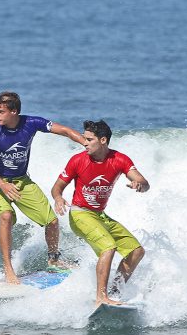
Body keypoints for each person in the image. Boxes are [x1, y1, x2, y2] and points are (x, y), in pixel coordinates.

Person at [0, 91, 85, 284]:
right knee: (6, 217)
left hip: (22, 181)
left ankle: (53, 260)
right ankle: (8, 269)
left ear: (14, 111)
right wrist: (2, 185)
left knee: (52, 221)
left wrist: (85, 143)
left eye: (1, 111)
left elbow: (63, 130)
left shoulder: (31, 123)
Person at [51, 119, 150, 307]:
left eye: (89, 139)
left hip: (100, 215)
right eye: (84, 139)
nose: (84, 143)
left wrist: (140, 185)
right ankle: (101, 297)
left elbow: (144, 182)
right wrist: (58, 198)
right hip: (80, 214)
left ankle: (115, 291)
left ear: (103, 140)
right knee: (108, 247)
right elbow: (57, 188)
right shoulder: (77, 160)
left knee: (136, 251)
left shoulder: (120, 159)